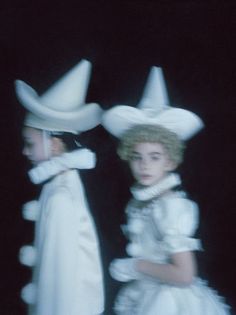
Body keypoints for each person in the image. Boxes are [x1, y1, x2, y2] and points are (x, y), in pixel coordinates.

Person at [102, 67, 231, 314]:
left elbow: (184, 275)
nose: (144, 165)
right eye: (137, 157)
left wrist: (136, 266)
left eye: (154, 157)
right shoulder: (139, 202)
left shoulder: (171, 207)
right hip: (144, 292)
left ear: (170, 161)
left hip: (168, 301)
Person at [16, 59, 104, 315]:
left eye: (29, 143)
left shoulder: (60, 197)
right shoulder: (59, 187)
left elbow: (58, 285)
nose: (24, 150)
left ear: (54, 145)